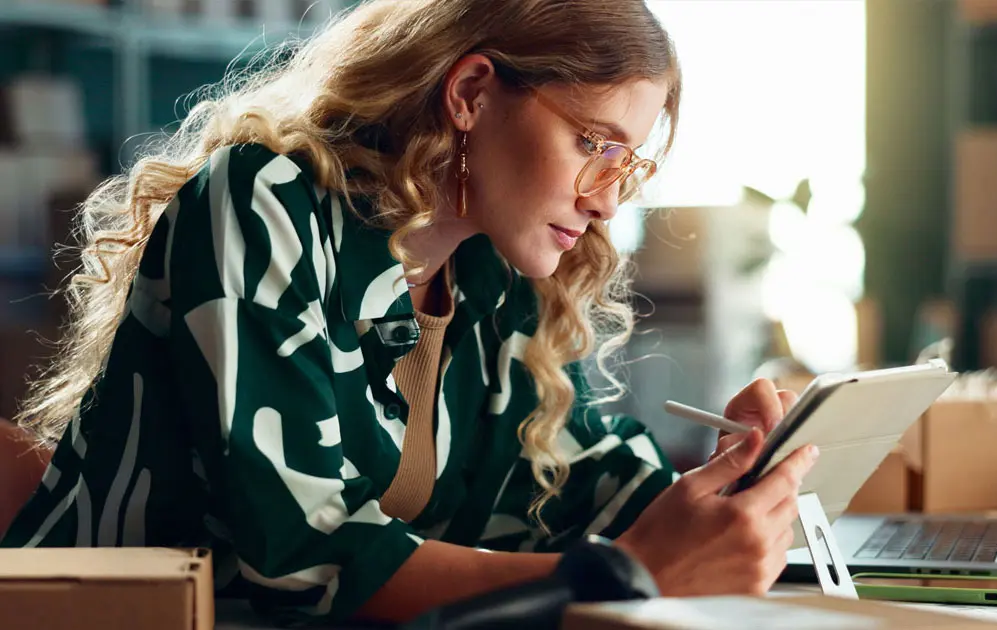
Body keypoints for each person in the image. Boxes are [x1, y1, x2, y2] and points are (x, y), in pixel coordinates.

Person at [1, 0, 818, 625]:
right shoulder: (261, 203)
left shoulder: (493, 270)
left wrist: (732, 483)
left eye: (625, 162)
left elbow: (574, 482)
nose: (607, 201)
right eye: (592, 145)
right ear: (471, 93)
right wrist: (624, 575)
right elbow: (300, 554)